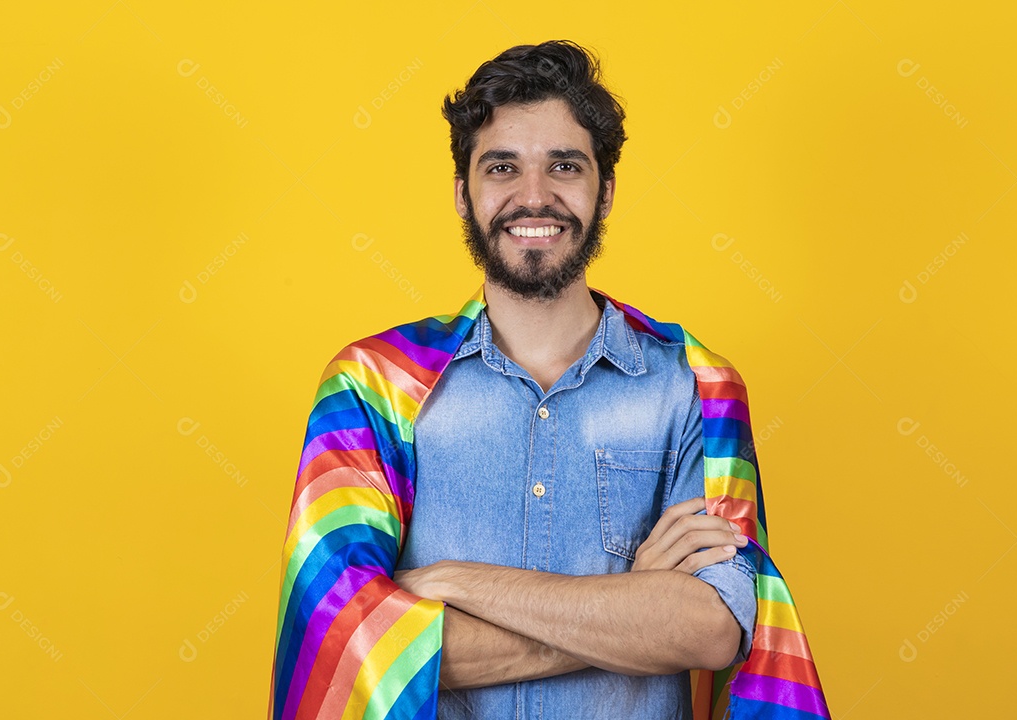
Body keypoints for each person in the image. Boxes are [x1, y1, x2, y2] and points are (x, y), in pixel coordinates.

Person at [269, 39, 828, 720]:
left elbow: (713, 628)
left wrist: (454, 586)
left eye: (565, 166)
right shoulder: (370, 387)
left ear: (606, 190)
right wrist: (631, 605)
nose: (534, 196)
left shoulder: (694, 387)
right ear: (462, 193)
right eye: (502, 167)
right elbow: (343, 640)